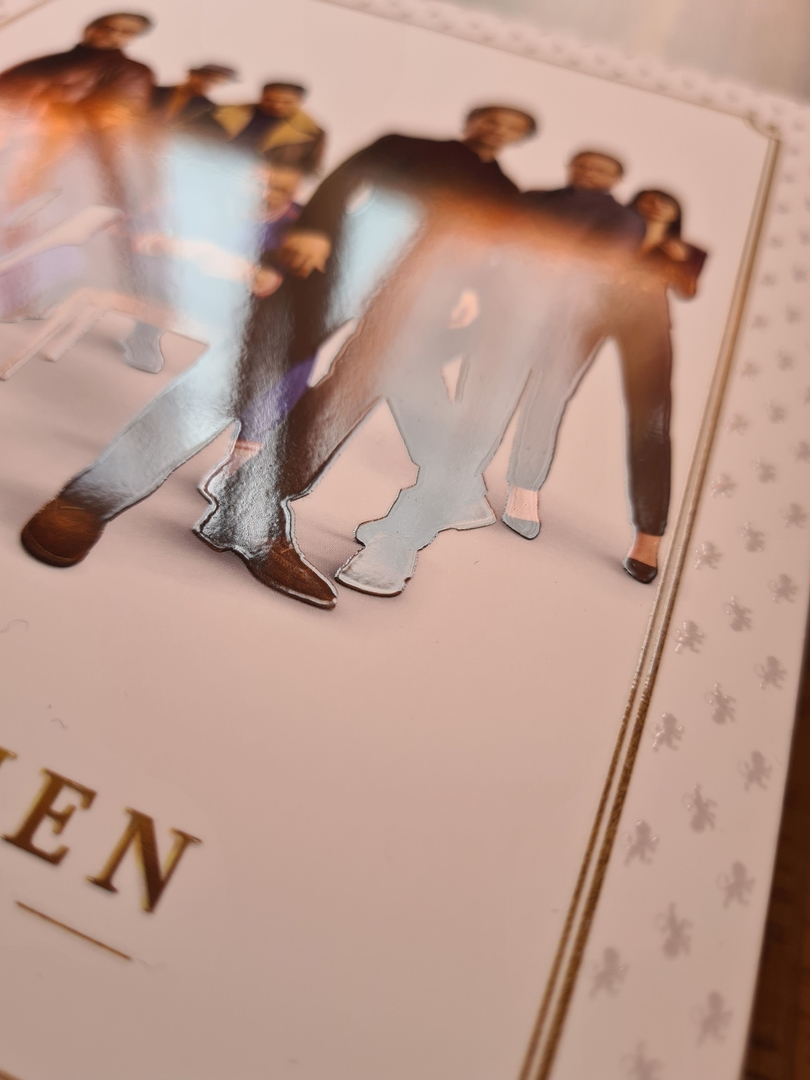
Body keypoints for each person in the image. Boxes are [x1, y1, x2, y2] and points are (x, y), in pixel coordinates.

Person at [19, 106, 537, 610]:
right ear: (473, 118)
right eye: (493, 117)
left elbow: (486, 244)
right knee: (236, 374)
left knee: (344, 403)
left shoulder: (504, 191)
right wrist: (314, 229)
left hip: (427, 284)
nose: (497, 129)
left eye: (511, 127)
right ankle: (92, 497)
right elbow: (345, 178)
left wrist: (468, 290)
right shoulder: (408, 146)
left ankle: (248, 518)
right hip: (353, 252)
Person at [504, 184, 706, 585]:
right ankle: (523, 487)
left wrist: (675, 258)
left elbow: (687, 289)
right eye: (647, 197)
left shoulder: (688, 249)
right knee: (549, 388)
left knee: (652, 423)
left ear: (676, 212)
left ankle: (649, 538)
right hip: (589, 307)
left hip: (647, 322)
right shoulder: (612, 227)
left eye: (665, 200)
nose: (655, 202)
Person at [0, 12, 155, 117]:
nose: (112, 34)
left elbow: (118, 118)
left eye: (126, 32)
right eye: (107, 27)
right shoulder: (45, 62)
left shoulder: (133, 72)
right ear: (89, 28)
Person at [214, 82, 325, 172]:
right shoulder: (222, 113)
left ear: (301, 102)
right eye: (269, 100)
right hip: (213, 167)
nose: (276, 105)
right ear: (261, 96)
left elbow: (311, 170)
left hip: (257, 184)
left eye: (287, 102)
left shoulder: (312, 132)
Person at [151, 64, 237, 137]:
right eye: (207, 79)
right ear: (192, 74)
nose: (209, 85)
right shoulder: (153, 92)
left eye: (217, 83)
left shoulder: (207, 108)